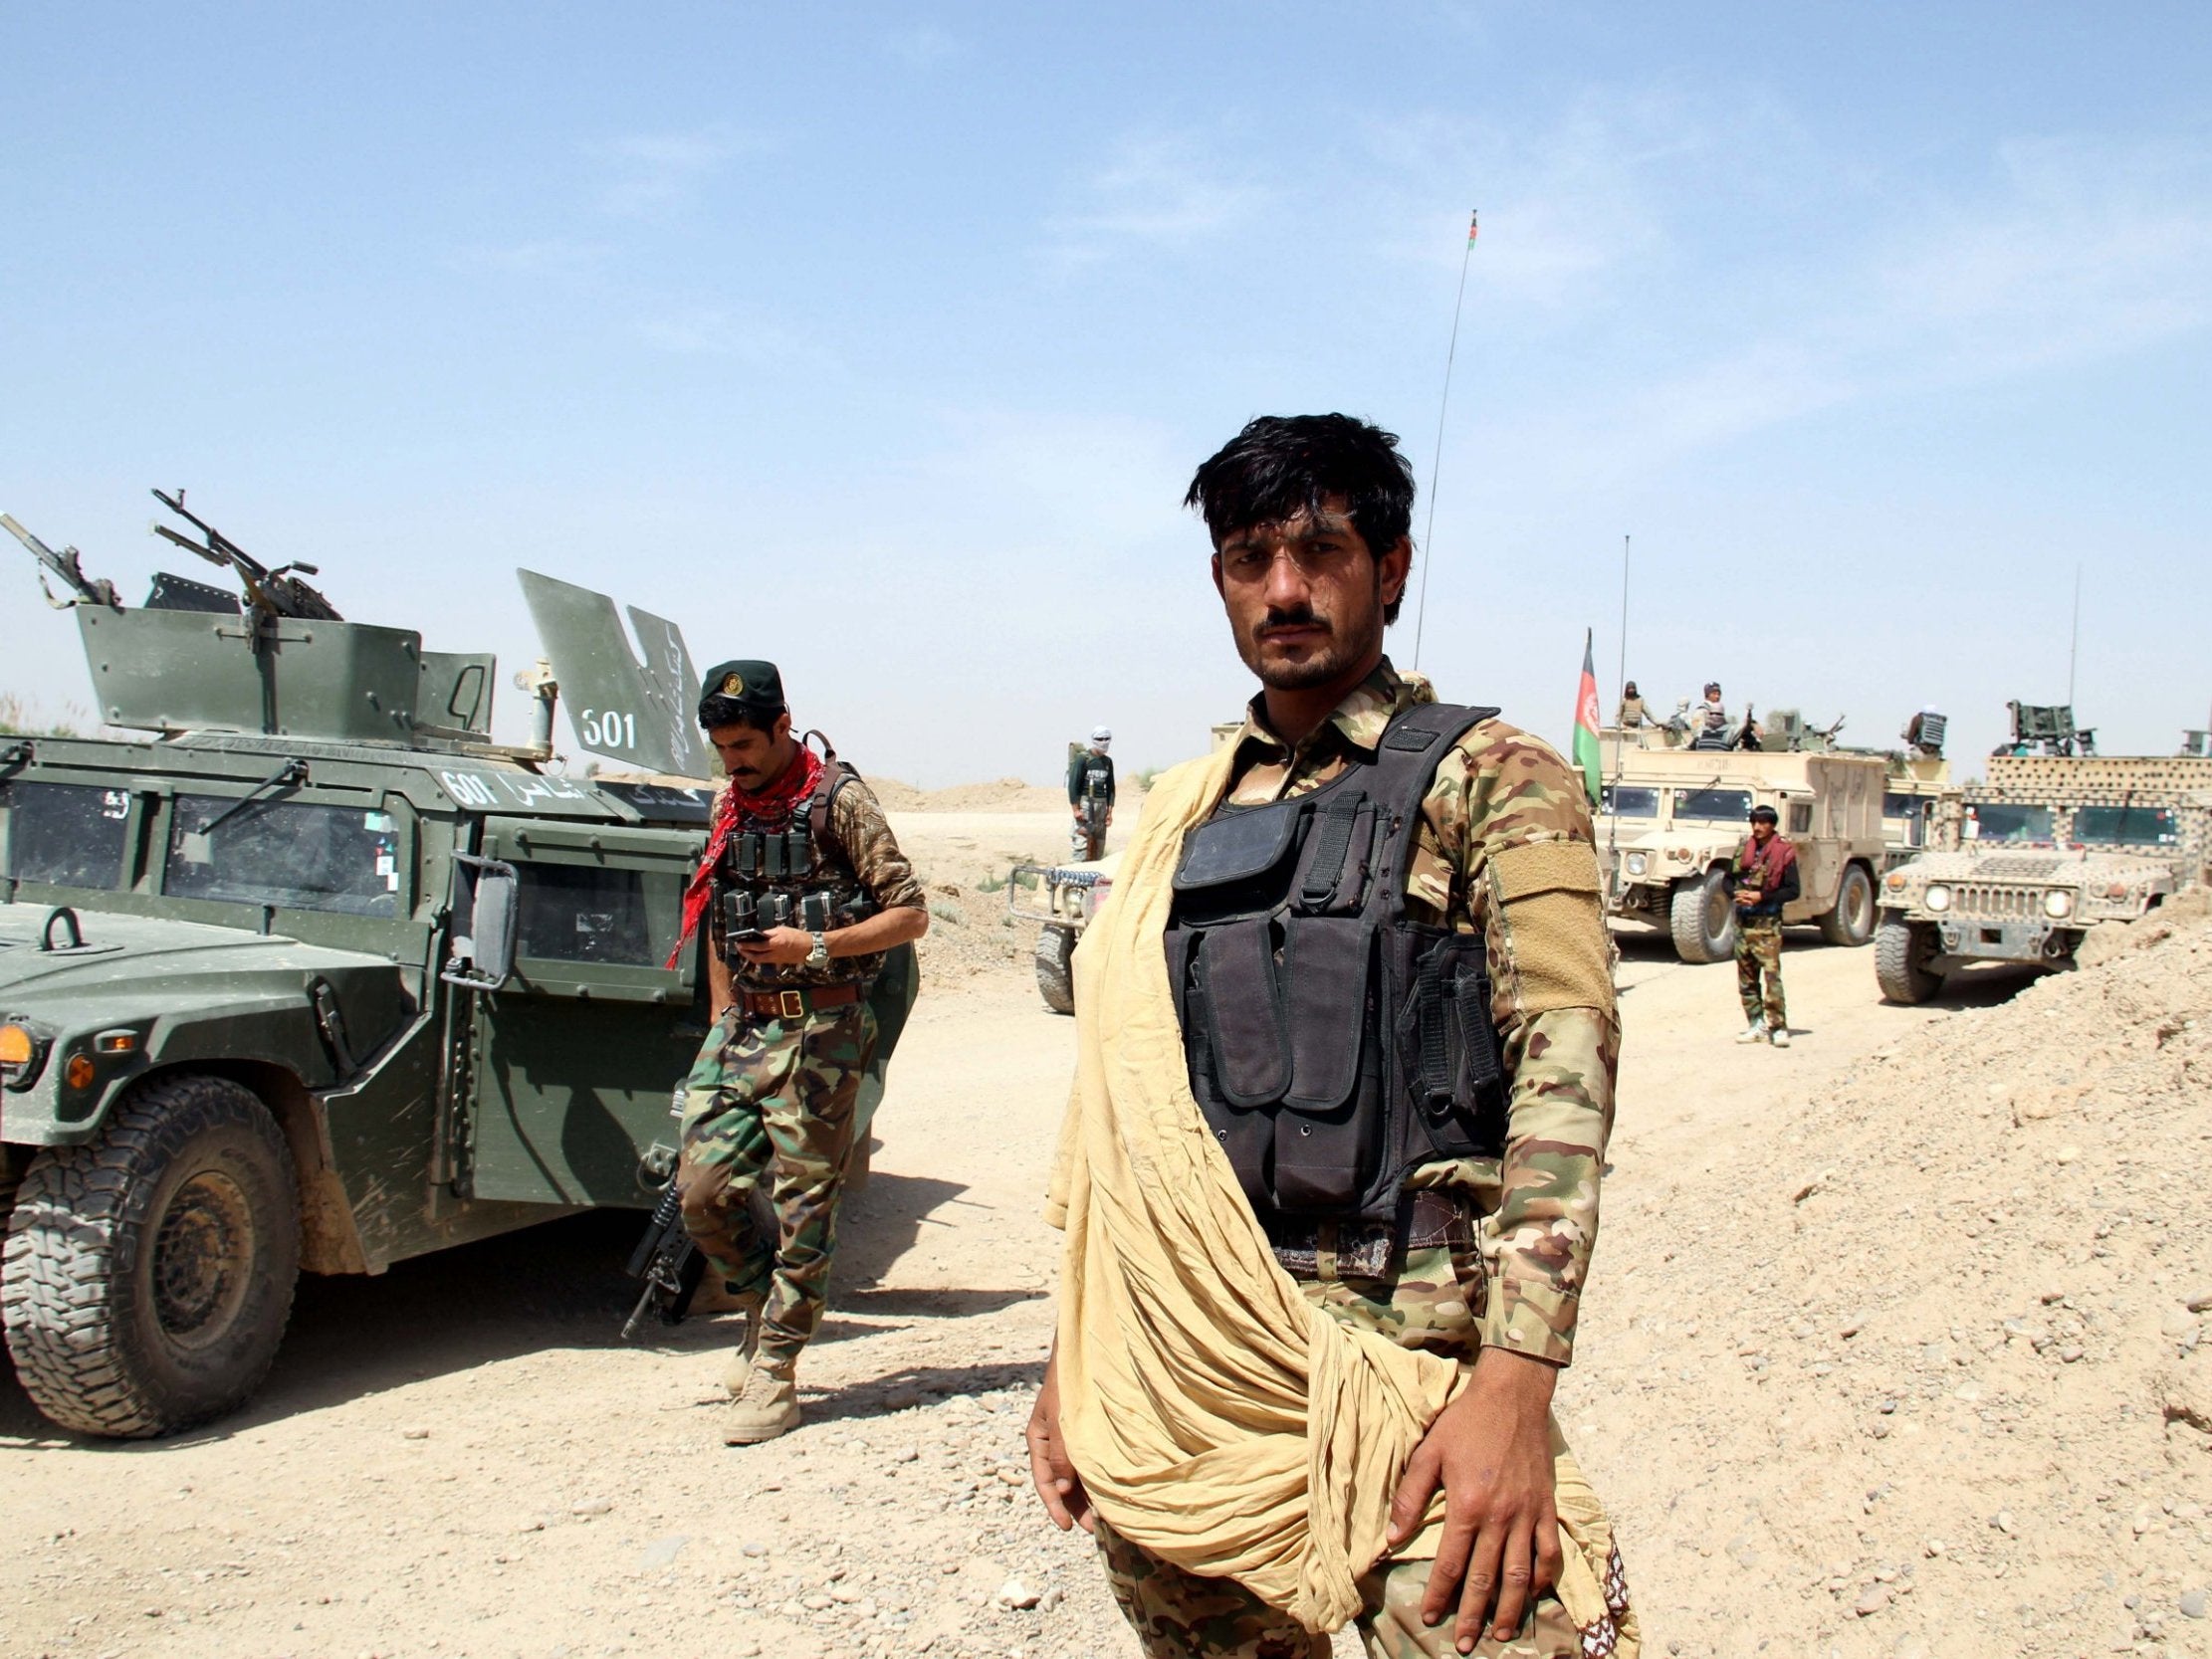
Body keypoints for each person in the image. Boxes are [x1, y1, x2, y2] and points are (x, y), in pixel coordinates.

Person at [1026, 414, 1635, 1658]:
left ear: (1391, 568)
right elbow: (1123, 1129)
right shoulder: (1180, 814)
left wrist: (1517, 1384)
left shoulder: (1493, 775)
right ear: (1220, 581)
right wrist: (1070, 1360)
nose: (1285, 588)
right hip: (1187, 1358)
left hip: (1410, 1369)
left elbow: (1563, 1077)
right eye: (1251, 558)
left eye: (1320, 550)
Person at [670, 660, 929, 1444]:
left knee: (803, 1206)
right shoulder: (730, 805)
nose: (734, 761)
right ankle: (757, 1307)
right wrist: (721, 1011)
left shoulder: (839, 803)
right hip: (744, 1027)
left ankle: (777, 1371)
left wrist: (811, 945)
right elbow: (717, 904)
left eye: (745, 744)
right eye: (722, 747)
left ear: (784, 726)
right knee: (701, 1193)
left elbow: (910, 914)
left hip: (823, 1031)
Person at [1729, 804, 1798, 1047]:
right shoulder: (1743, 849)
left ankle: (1778, 1026)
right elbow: (1729, 880)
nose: (1758, 827)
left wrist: (1762, 897)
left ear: (1772, 825)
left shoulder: (1784, 852)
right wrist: (1736, 894)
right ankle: (1755, 1024)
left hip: (1767, 925)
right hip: (1743, 922)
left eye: (1763, 822)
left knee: (1771, 977)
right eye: (1754, 822)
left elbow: (1792, 890)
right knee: (1746, 979)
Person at [1067, 725, 1117, 860]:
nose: (1104, 742)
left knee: (1098, 844)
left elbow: (1111, 788)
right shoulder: (1083, 759)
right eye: (1100, 739)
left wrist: (1109, 812)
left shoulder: (1107, 762)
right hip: (1086, 804)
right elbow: (1073, 785)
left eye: (1107, 738)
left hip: (1101, 806)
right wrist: (1076, 809)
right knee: (1081, 844)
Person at [1688, 683, 1730, 750]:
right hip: (1705, 748)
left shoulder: (1718, 711)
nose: (1717, 696)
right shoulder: (1700, 711)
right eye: (1714, 694)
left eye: (1719, 694)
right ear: (1707, 695)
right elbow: (1697, 734)